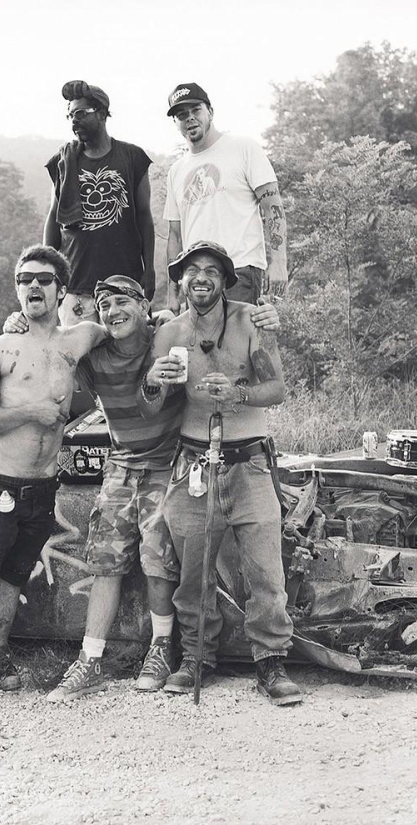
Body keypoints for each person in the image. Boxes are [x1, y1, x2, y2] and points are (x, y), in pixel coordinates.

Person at [4, 278, 280, 703]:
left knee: (159, 557)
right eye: (104, 304)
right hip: (120, 463)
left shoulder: (165, 338)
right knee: (104, 559)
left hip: (168, 461)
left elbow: (206, 335)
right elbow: (55, 347)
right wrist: (21, 324)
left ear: (141, 305)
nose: (113, 311)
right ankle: (90, 658)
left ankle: (160, 649)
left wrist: (262, 316)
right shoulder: (94, 354)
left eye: (122, 302)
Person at [143, 240, 301, 705]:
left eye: (212, 270)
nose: (201, 278)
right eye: (191, 270)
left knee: (265, 570)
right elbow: (150, 404)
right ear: (180, 280)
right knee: (193, 572)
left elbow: (277, 388)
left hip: (248, 461)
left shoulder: (251, 320)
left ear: (225, 280)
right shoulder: (169, 333)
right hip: (192, 461)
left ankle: (270, 660)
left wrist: (238, 394)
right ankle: (195, 657)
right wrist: (156, 382)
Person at [0, 244, 106, 701]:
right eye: (25, 280)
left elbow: (118, 326)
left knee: (16, 572)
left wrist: (162, 320)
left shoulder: (76, 340)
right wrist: (31, 414)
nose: (33, 287)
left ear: (61, 289)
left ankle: (0, 652)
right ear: (17, 290)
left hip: (42, 484)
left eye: (43, 279)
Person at [163, 82, 289, 312]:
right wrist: (173, 291)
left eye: (195, 111)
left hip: (238, 270)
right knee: (199, 347)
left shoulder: (243, 148)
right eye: (182, 115)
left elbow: (273, 207)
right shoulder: (176, 171)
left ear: (210, 111)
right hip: (196, 278)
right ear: (176, 123)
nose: (189, 118)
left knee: (237, 345)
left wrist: (279, 262)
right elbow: (174, 234)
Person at [44, 80, 156, 326]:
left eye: (81, 113)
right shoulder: (63, 161)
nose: (74, 120)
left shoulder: (132, 157)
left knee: (129, 358)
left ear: (103, 114)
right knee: (78, 361)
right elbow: (53, 219)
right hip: (76, 287)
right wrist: (48, 273)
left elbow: (145, 217)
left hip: (124, 285)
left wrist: (149, 270)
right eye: (70, 115)